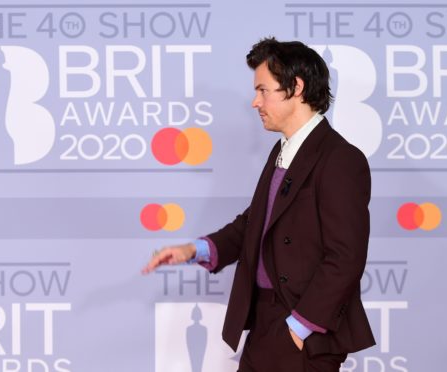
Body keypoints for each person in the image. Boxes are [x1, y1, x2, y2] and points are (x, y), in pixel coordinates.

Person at [142, 37, 375, 372]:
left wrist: (298, 328)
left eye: (263, 90)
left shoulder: (340, 159)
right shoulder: (282, 150)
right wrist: (194, 250)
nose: (255, 102)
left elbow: (346, 257)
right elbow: (257, 222)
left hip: (303, 332)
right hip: (266, 321)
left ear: (295, 87)